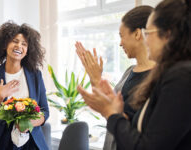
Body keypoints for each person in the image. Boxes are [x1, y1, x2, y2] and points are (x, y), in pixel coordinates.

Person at [78, 0, 191, 149]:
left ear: (167, 35)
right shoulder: (168, 74)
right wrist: (116, 112)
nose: (146, 40)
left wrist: (112, 114)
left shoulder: (180, 77)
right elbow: (139, 129)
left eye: (148, 33)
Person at [75, 6, 156, 150]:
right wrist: (95, 78)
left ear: (137, 34)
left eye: (122, 36)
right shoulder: (129, 72)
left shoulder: (161, 78)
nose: (120, 43)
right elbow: (110, 113)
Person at [0, 21, 50, 150]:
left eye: (24, 44)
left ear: (28, 51)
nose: (19, 46)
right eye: (15, 41)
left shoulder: (35, 75)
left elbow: (45, 111)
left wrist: (30, 122)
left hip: (30, 141)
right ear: (5, 45)